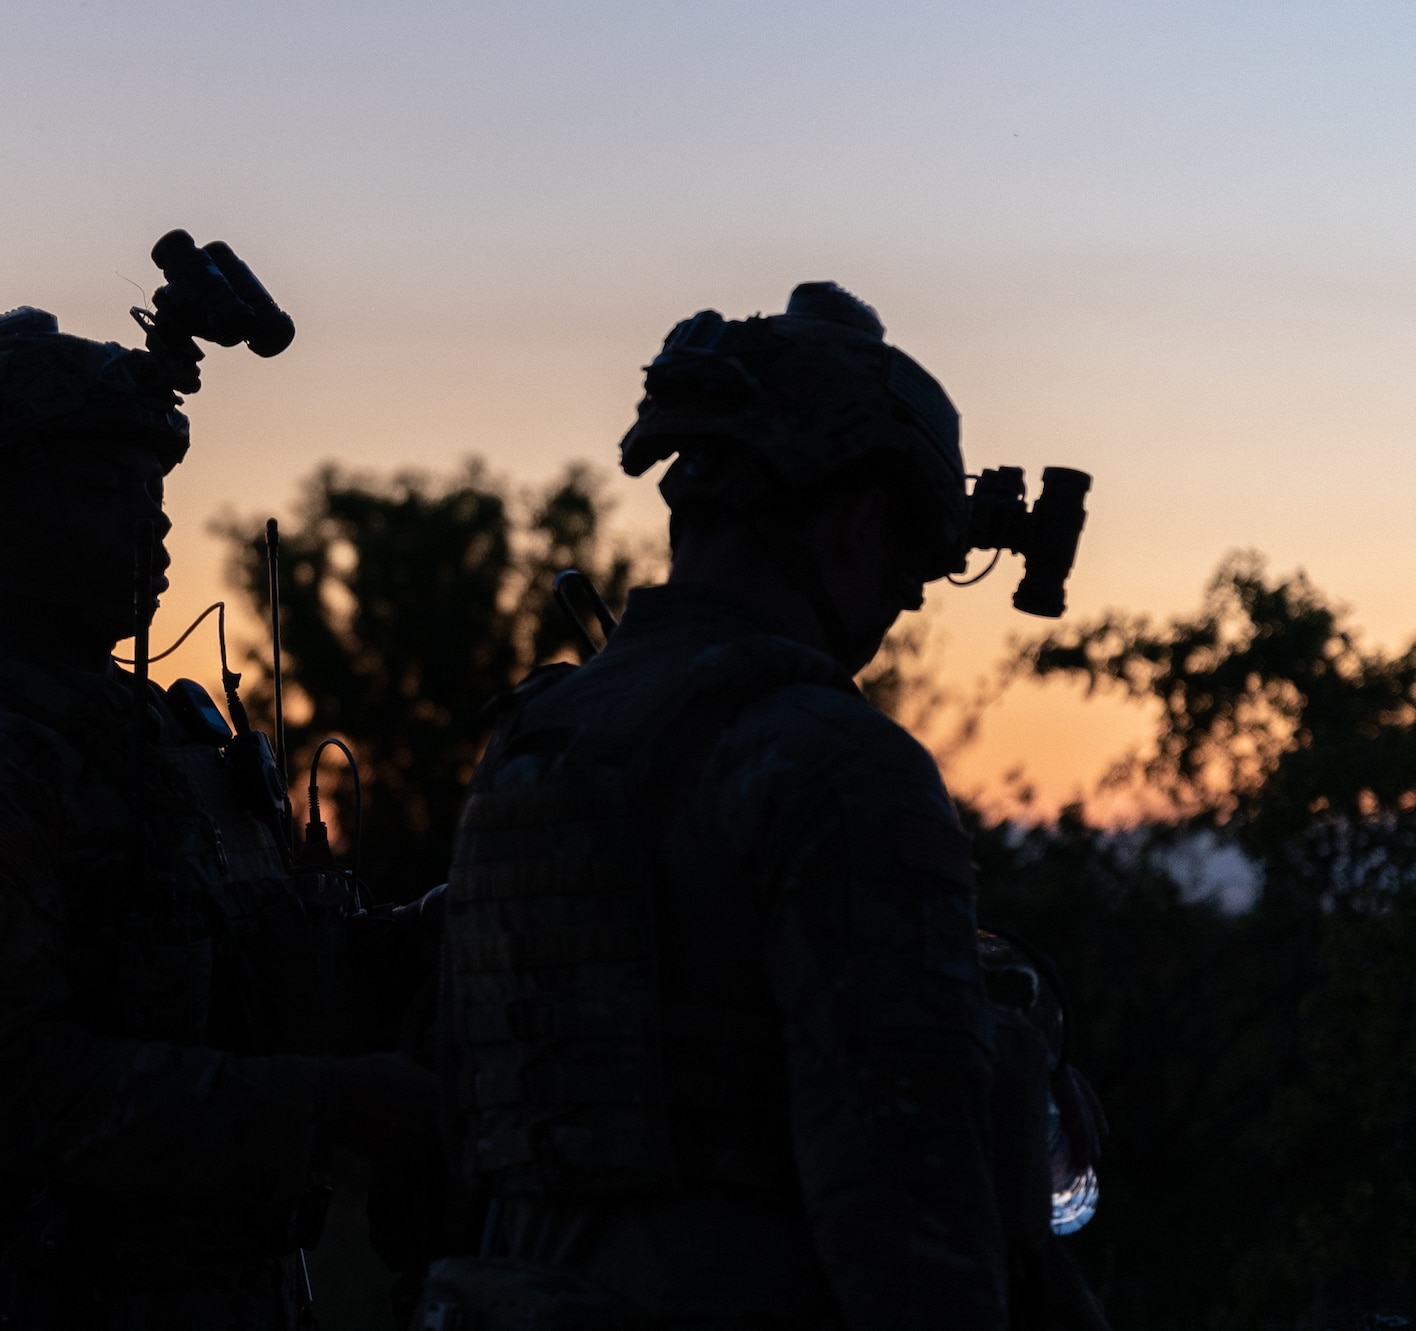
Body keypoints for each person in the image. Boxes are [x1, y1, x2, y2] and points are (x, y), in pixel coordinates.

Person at [420, 283, 1109, 1329]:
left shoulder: (534, 738)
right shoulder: (831, 759)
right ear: (859, 517)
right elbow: (906, 1225)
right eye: (907, 567)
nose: (897, 609)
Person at [0, 279, 439, 1329]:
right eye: (103, 485)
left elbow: (263, 974)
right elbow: (8, 1093)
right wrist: (332, 1101)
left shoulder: (161, 739)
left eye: (152, 485)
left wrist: (450, 922)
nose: (150, 521)